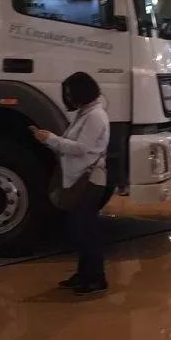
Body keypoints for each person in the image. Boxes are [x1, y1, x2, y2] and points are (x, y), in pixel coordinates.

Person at [32, 71, 110, 295]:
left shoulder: (95, 116)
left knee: (86, 230)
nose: (67, 97)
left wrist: (51, 139)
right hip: (80, 179)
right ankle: (84, 274)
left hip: (89, 180)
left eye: (69, 92)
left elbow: (81, 148)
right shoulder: (85, 114)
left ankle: (96, 277)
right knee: (81, 228)